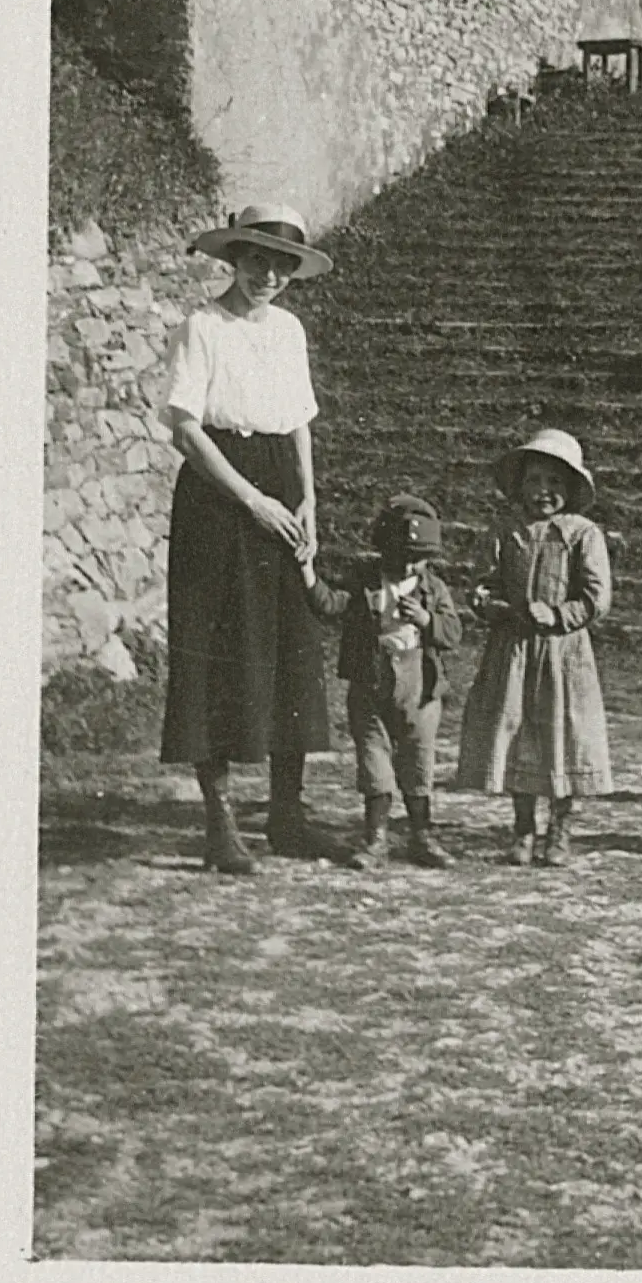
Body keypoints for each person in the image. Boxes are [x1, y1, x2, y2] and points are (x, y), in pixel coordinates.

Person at [159, 202, 343, 874]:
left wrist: (308, 499)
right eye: (257, 259)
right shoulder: (202, 326)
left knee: (290, 644)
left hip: (281, 487)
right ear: (233, 258)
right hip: (219, 495)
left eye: (282, 264)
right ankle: (220, 823)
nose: (268, 274)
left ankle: (288, 817)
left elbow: (299, 419)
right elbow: (185, 428)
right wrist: (253, 499)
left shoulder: (289, 330)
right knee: (215, 646)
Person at [455, 429, 613, 866]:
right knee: (519, 734)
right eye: (535, 481)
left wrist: (560, 614)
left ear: (572, 488)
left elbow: (598, 598)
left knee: (566, 736)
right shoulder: (505, 530)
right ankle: (523, 827)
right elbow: (482, 584)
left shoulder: (583, 534)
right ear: (520, 485)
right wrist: (490, 605)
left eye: (556, 482)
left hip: (564, 655)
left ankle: (560, 831)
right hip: (514, 651)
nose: (544, 492)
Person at [299, 493, 463, 870]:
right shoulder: (365, 582)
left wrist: (425, 619)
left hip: (419, 688)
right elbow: (330, 603)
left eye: (417, 558)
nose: (408, 565)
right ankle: (375, 839)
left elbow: (453, 633)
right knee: (375, 763)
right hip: (370, 684)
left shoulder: (432, 588)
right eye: (400, 555)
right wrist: (308, 572)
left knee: (418, 762)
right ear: (383, 549)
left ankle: (422, 836)